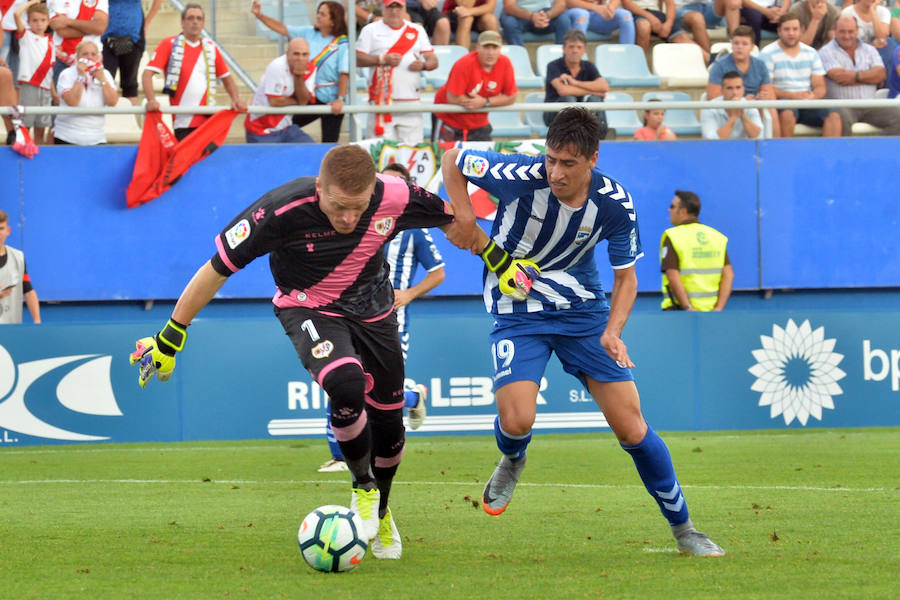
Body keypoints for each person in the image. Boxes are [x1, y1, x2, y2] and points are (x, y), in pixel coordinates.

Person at [129, 144, 454, 558]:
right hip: (308, 306)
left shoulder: (395, 195)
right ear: (319, 188)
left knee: (390, 429)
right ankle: (363, 487)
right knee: (345, 383)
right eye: (338, 206)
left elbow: (456, 218)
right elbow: (217, 268)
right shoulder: (279, 211)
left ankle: (383, 511)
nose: (349, 218)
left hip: (375, 310)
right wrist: (172, 333)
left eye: (358, 207)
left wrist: (497, 258)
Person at [440, 106, 726, 557]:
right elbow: (453, 158)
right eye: (552, 159)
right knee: (517, 420)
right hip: (519, 310)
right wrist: (465, 217)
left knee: (632, 428)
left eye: (568, 164)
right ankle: (513, 458)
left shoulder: (615, 203)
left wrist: (613, 331)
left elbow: (626, 278)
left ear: (593, 159)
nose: (555, 172)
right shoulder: (517, 172)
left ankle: (685, 528)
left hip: (583, 314)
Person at [320, 161, 445, 473]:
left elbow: (438, 273)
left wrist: (408, 294)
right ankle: (339, 456)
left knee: (373, 390)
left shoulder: (413, 229)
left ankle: (413, 397)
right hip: (345, 314)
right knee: (340, 379)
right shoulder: (353, 221)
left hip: (390, 319)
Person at [142, 4, 246, 141]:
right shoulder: (169, 44)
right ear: (182, 23)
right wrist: (151, 100)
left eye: (199, 18)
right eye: (190, 18)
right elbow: (147, 74)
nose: (195, 22)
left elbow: (227, 78)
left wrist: (235, 99)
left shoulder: (211, 47)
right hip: (182, 121)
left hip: (208, 120)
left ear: (203, 24)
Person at [251, 0, 350, 143]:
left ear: (333, 21)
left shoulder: (342, 42)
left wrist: (340, 99)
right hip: (308, 95)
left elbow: (344, 73)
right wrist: (260, 16)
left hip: (331, 101)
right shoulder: (308, 32)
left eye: (322, 14)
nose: (317, 16)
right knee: (287, 126)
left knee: (329, 143)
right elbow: (283, 29)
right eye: (318, 13)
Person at [356, 0, 437, 144]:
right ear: (383, 9)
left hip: (411, 103)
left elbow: (433, 60)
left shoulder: (416, 30)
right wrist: (382, 59)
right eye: (390, 7)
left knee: (412, 152)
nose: (394, 11)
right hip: (382, 103)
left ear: (404, 9)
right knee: (381, 154)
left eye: (398, 7)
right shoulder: (370, 30)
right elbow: (357, 58)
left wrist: (423, 65)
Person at [759, 12, 842, 137]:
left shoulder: (811, 53)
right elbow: (766, 88)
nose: (791, 33)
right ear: (779, 31)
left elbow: (820, 86)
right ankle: (786, 154)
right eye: (787, 29)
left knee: (834, 114)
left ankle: (827, 155)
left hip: (807, 102)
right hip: (782, 102)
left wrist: (812, 96)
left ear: (801, 31)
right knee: (787, 113)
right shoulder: (767, 53)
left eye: (795, 29)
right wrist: (793, 96)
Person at [819, 15, 900, 135]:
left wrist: (855, 77)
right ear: (834, 31)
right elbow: (839, 77)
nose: (847, 36)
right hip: (842, 105)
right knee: (839, 118)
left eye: (851, 31)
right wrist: (869, 76)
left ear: (857, 31)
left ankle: (872, 150)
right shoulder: (825, 52)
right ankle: (846, 153)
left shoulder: (870, 50)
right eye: (842, 32)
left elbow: (881, 74)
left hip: (870, 105)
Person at [433, 29, 516, 141]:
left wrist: (485, 102)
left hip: (479, 121)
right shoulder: (464, 64)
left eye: (495, 48)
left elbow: (511, 97)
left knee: (484, 158)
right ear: (477, 48)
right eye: (486, 47)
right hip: (449, 120)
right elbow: (452, 97)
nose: (490, 53)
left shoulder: (505, 63)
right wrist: (479, 102)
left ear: (500, 49)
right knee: (444, 157)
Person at [660, 190, 733, 311]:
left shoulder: (673, 236)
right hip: (712, 313)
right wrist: (719, 308)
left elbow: (672, 275)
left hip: (679, 313)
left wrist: (688, 307)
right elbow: (729, 274)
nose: (669, 210)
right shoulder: (717, 237)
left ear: (683, 211)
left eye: (672, 206)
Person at [707, 25, 778, 136]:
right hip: (727, 107)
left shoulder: (760, 65)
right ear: (732, 45)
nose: (739, 47)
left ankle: (774, 148)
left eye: (744, 44)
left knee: (771, 111)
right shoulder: (719, 66)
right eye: (736, 43)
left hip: (753, 107)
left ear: (752, 47)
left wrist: (760, 98)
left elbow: (769, 94)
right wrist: (743, 100)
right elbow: (713, 96)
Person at [244, 38, 316, 144]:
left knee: (312, 150)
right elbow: (274, 102)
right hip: (260, 129)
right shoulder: (277, 66)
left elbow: (303, 102)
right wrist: (296, 100)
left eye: (304, 54)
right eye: (296, 54)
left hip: (285, 128)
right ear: (287, 54)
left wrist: (298, 76)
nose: (300, 58)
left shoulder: (311, 68)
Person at [542, 29, 609, 134]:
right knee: (569, 99)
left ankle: (600, 136)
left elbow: (604, 87)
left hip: (581, 114)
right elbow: (563, 91)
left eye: (579, 47)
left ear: (584, 50)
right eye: (571, 47)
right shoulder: (553, 66)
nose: (575, 51)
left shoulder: (589, 66)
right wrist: (594, 90)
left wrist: (575, 83)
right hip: (554, 114)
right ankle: (571, 135)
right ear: (564, 49)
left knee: (595, 99)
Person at [53, 40, 118, 145]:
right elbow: (73, 102)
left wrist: (102, 80)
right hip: (67, 137)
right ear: (77, 57)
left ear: (98, 57)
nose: (89, 57)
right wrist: (80, 76)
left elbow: (112, 102)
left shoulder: (105, 74)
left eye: (93, 54)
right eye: (85, 54)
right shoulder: (67, 74)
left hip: (97, 138)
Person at [102, 0, 162, 106]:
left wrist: (147, 23)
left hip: (134, 33)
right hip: (106, 34)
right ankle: (106, 118)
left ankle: (127, 116)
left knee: (130, 82)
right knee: (106, 79)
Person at [13, 1, 54, 146]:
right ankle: (23, 151)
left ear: (48, 21)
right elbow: (16, 14)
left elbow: (50, 69)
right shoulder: (26, 36)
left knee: (41, 127)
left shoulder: (50, 41)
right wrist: (32, 3)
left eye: (43, 20)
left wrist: (53, 92)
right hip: (29, 84)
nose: (39, 24)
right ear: (28, 22)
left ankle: (38, 154)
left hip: (46, 88)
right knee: (26, 124)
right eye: (34, 20)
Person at [47, 0, 108, 83]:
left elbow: (100, 28)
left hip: (91, 59)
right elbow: (62, 31)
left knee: (91, 95)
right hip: (62, 59)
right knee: (59, 95)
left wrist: (68, 21)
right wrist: (92, 28)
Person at [0, 209, 40, 324]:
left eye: (1, 229)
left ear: (8, 231)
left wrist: (37, 320)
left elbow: (28, 290)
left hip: (12, 328)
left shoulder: (18, 257)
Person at [701, 70, 764, 138]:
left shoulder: (750, 106)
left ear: (743, 89)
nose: (734, 92)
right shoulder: (709, 108)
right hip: (719, 148)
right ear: (722, 90)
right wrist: (733, 118)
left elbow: (759, 137)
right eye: (729, 88)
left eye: (738, 87)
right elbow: (711, 140)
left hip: (745, 148)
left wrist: (742, 115)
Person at [672, 0, 740, 58]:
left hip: (707, 6)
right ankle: (711, 60)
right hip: (681, 8)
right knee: (697, 18)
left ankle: (737, 45)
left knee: (733, 1)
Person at [841, 0, 898, 68]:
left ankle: (884, 76)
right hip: (855, 54)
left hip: (877, 53)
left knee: (888, 43)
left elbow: (882, 36)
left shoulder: (883, 11)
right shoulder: (847, 13)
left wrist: (873, 11)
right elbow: (846, 43)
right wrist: (870, 46)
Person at [500, 0, 573, 46]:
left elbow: (561, 4)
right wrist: (531, 16)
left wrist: (547, 15)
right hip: (520, 14)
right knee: (510, 23)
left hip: (545, 14)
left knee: (564, 19)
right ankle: (519, 60)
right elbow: (509, 6)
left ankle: (562, 59)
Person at [564, 0, 636, 45]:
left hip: (597, 16)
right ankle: (578, 62)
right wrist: (595, 7)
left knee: (625, 15)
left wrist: (611, 8)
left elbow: (616, 1)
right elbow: (567, 2)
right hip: (575, 14)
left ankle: (626, 58)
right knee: (582, 14)